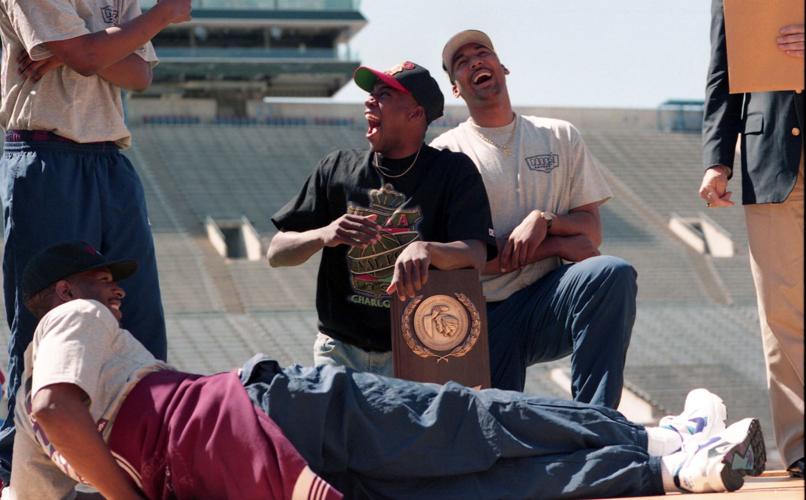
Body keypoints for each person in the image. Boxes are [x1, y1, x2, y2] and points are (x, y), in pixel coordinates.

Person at [8, 241, 766, 499]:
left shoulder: (46, 405)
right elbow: (57, 409)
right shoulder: (72, 320)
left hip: (244, 468)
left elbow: (47, 447)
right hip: (271, 416)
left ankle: (666, 467)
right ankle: (662, 442)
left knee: (469, 487)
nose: (117, 290)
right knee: (466, 420)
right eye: (104, 279)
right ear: (66, 291)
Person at [0, 0, 191, 482]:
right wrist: (159, 17)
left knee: (139, 321)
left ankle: (146, 466)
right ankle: (23, 476)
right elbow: (89, 58)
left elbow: (139, 75)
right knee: (45, 325)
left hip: (110, 157)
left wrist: (78, 46)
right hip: (43, 153)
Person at [430, 30, 636, 404]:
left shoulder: (559, 135)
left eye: (483, 52)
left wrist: (545, 221)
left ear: (503, 67)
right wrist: (555, 246)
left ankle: (595, 424)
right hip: (482, 315)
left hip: (549, 299)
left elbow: (592, 233)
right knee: (497, 439)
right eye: (462, 62)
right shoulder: (446, 154)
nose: (475, 61)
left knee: (611, 273)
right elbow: (458, 263)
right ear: (456, 89)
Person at [267, 61, 497, 375]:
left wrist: (428, 250)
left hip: (416, 349)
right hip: (339, 350)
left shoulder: (452, 172)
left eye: (384, 95)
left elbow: (476, 254)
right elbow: (276, 253)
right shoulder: (336, 167)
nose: (368, 100)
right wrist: (324, 234)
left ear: (415, 113)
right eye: (372, 94)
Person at [700, 0, 804, 477]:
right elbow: (721, 75)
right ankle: (801, 446)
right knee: (782, 311)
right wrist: (716, 160)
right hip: (770, 157)